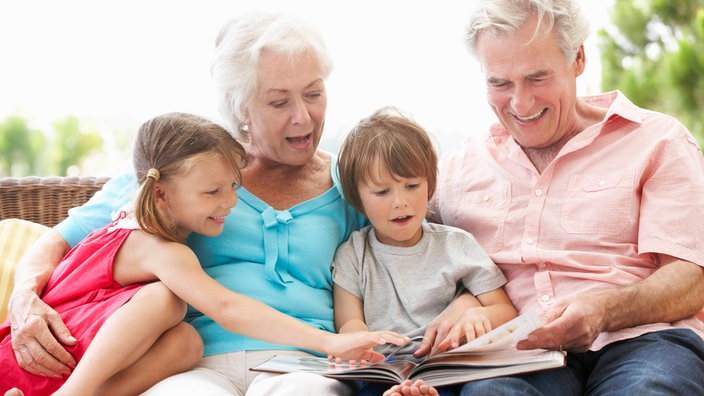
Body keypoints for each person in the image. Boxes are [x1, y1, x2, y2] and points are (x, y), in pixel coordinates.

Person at [6, 12, 421, 396]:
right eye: (279, 102)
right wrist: (23, 299)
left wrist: (467, 300)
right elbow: (57, 242)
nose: (303, 117)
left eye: (313, 94)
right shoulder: (181, 172)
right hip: (190, 362)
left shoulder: (352, 183)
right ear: (239, 106)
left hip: (306, 365)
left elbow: (414, 247)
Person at [425, 0, 704, 394]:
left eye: (538, 77)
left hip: (645, 341)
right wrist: (467, 299)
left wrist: (604, 309)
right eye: (500, 83)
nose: (520, 104)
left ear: (578, 58)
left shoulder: (658, 140)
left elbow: (691, 280)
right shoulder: (455, 171)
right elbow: (407, 246)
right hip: (520, 351)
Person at [332, 107, 518, 396]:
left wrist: (478, 317)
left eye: (412, 186)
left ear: (430, 183)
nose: (400, 202)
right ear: (357, 198)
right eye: (382, 192)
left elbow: (505, 310)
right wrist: (360, 339)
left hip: (447, 369)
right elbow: (349, 322)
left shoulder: (456, 244)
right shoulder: (353, 254)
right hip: (382, 373)